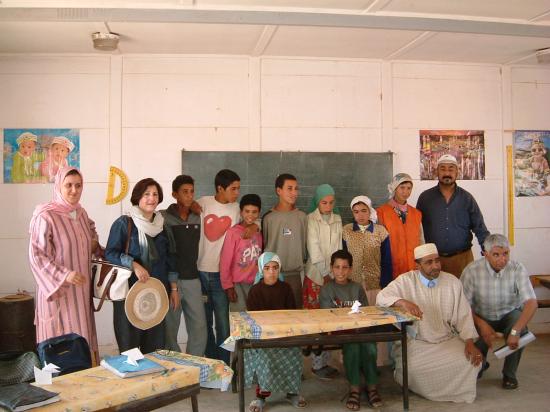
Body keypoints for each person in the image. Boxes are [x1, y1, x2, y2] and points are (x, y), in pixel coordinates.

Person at [376, 243, 482, 403]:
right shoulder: (406, 281)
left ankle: (456, 393)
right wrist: (403, 302)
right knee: (411, 370)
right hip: (417, 343)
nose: (435, 266)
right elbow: (381, 298)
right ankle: (434, 391)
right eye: (429, 262)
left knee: (471, 363)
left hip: (446, 340)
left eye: (437, 261)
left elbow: (464, 315)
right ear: (417, 265)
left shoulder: (452, 282)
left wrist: (469, 341)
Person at [29, 167, 99, 361]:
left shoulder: (81, 214)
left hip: (80, 292)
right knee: (60, 351)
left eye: (78, 185)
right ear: (59, 186)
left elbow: (91, 230)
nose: (74, 190)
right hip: (58, 293)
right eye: (68, 185)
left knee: (82, 343)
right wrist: (64, 274)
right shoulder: (45, 216)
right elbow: (37, 255)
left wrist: (93, 242)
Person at [105, 178, 176, 354]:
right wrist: (134, 264)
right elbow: (110, 253)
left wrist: (174, 289)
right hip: (129, 294)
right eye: (146, 194)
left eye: (155, 194)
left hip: (156, 294)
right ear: (138, 197)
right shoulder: (124, 223)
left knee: (155, 349)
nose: (151, 198)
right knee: (130, 349)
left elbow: (171, 260)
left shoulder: (163, 226)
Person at [461, 234, 538, 390]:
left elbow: (531, 303)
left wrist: (515, 331)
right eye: (496, 254)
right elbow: (463, 305)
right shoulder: (472, 270)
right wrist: (481, 324)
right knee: (476, 370)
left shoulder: (517, 268)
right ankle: (482, 364)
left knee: (521, 330)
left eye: (506, 254)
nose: (502, 259)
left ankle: (509, 374)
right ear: (485, 254)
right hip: (481, 316)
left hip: (508, 314)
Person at [320, 250, 382, 410]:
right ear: (331, 268)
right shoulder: (326, 289)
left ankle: (372, 387)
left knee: (369, 346)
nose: (341, 271)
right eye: (337, 267)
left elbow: (366, 311)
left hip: (359, 329)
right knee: (353, 346)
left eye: (345, 267)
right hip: (340, 331)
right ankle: (354, 388)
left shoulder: (357, 287)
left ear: (351, 269)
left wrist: (359, 325)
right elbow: (328, 317)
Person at [246, 252, 307, 412]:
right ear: (261, 270)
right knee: (265, 355)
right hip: (263, 337)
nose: (271, 272)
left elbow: (292, 314)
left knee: (294, 351)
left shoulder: (286, 288)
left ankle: (292, 392)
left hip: (284, 333)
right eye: (267, 268)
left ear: (279, 270)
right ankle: (261, 396)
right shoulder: (255, 291)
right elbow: (253, 320)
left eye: (275, 268)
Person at [416, 154, 489, 277]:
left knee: (464, 295)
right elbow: (415, 229)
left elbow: (480, 228)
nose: (447, 173)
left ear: (457, 172)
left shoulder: (467, 198)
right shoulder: (425, 198)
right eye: (443, 169)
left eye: (451, 169)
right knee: (436, 295)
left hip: (463, 260)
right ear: (436, 172)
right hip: (433, 261)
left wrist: (489, 250)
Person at [196, 169, 241, 364]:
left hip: (222, 275)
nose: (237, 193)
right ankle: (211, 362)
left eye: (238, 189)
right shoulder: (202, 203)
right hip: (199, 272)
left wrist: (253, 226)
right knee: (204, 323)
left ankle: (224, 365)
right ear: (220, 188)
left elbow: (252, 223)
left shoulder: (237, 209)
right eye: (233, 189)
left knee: (223, 324)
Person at [161, 174, 207, 356]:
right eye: (185, 192)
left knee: (199, 326)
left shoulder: (198, 216)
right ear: (174, 194)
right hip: (172, 281)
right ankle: (174, 364)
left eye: (192, 192)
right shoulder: (163, 217)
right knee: (170, 327)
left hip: (193, 279)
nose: (189, 196)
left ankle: (194, 364)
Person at [343, 195, 392, 365]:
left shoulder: (380, 231)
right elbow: (343, 260)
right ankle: (356, 361)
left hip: (375, 284)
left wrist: (385, 285)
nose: (360, 215)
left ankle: (377, 361)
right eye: (356, 212)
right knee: (356, 322)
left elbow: (387, 260)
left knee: (375, 321)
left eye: (364, 211)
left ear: (370, 211)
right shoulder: (346, 231)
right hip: (354, 285)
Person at [302, 183, 342, 380]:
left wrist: (336, 273)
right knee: (316, 320)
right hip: (316, 277)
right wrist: (326, 274)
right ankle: (315, 364)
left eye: (331, 202)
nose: (328, 206)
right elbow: (314, 250)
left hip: (334, 276)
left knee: (330, 321)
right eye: (324, 202)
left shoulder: (338, 219)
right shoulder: (310, 219)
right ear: (317, 202)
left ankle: (324, 362)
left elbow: (338, 246)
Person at [262, 173, 307, 309]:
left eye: (296, 188)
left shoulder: (302, 217)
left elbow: (305, 247)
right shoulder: (269, 218)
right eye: (289, 188)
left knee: (295, 317)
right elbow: (264, 246)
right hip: (272, 276)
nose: (294, 193)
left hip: (295, 276)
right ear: (278, 191)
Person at [220, 194, 263, 313]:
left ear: (259, 213)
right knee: (240, 320)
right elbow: (225, 261)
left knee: (256, 317)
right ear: (241, 212)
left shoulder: (259, 231)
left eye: (254, 212)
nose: (250, 215)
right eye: (247, 211)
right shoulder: (233, 233)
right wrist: (228, 287)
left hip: (256, 283)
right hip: (238, 284)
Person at [377, 173, 424, 279]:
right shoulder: (381, 212)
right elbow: (379, 243)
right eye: (402, 187)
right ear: (394, 188)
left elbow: (421, 240)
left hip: (413, 267)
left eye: (409, 188)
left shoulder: (416, 213)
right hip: (391, 267)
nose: (406, 192)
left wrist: (421, 262)